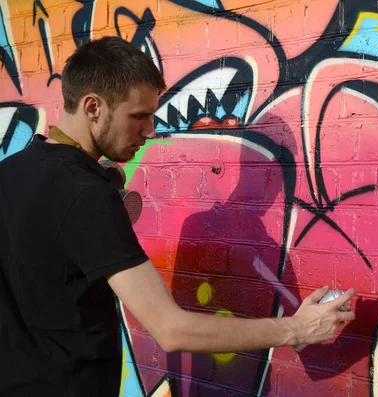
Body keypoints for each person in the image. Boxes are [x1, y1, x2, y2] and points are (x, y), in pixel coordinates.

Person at [0, 36, 356, 396]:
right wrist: (296, 330)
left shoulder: (10, 171)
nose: (151, 130)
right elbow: (172, 329)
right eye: (138, 116)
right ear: (93, 107)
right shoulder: (86, 196)